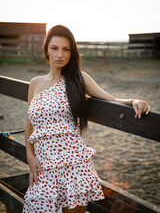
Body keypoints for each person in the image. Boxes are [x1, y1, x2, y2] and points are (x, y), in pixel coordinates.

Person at [22, 25, 150, 213]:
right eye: (55, 48)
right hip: (43, 165)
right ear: (46, 49)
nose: (60, 54)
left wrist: (134, 100)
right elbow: (28, 122)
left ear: (72, 52)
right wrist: (30, 155)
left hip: (74, 166)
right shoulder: (35, 83)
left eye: (66, 49)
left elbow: (112, 99)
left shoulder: (78, 79)